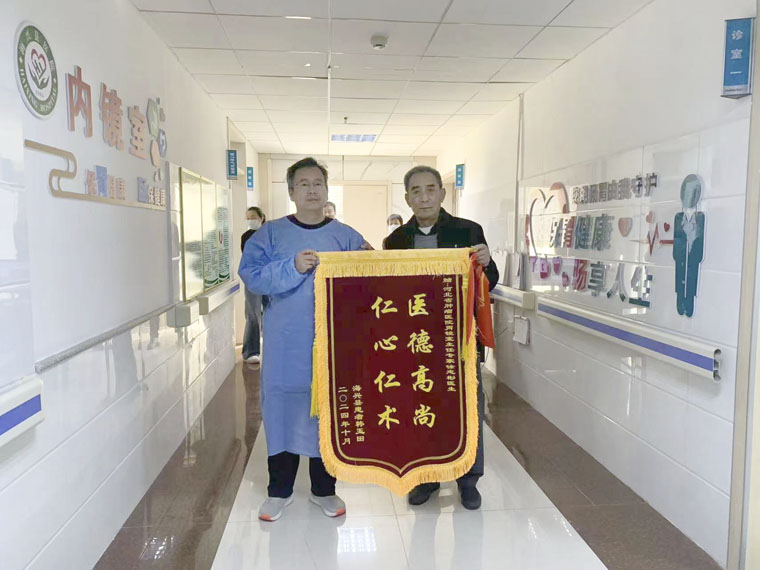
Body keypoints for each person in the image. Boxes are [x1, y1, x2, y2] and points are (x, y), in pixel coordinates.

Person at [238, 157, 367, 522]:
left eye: (318, 183)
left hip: (333, 344)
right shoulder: (270, 234)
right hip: (286, 344)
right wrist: (290, 267)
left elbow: (371, 277)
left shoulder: (346, 236)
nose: (312, 190)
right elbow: (251, 275)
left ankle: (325, 490)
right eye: (304, 184)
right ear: (292, 191)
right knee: (282, 410)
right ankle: (278, 492)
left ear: (326, 190)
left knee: (327, 412)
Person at [384, 165, 498, 511]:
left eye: (430, 189)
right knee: (421, 408)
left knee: (467, 408)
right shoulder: (396, 241)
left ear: (442, 193)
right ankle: (426, 478)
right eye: (416, 191)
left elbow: (490, 280)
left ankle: (468, 480)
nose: (424, 197)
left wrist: (487, 262)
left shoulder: (468, 231)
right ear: (407, 198)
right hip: (416, 342)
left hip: (460, 339)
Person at [241, 207, 266, 364]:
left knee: (272, 313)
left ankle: (273, 349)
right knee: (253, 315)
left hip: (270, 277)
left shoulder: (269, 234)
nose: (251, 220)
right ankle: (251, 351)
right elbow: (247, 259)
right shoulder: (246, 236)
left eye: (253, 217)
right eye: (248, 218)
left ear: (261, 218)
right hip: (253, 279)